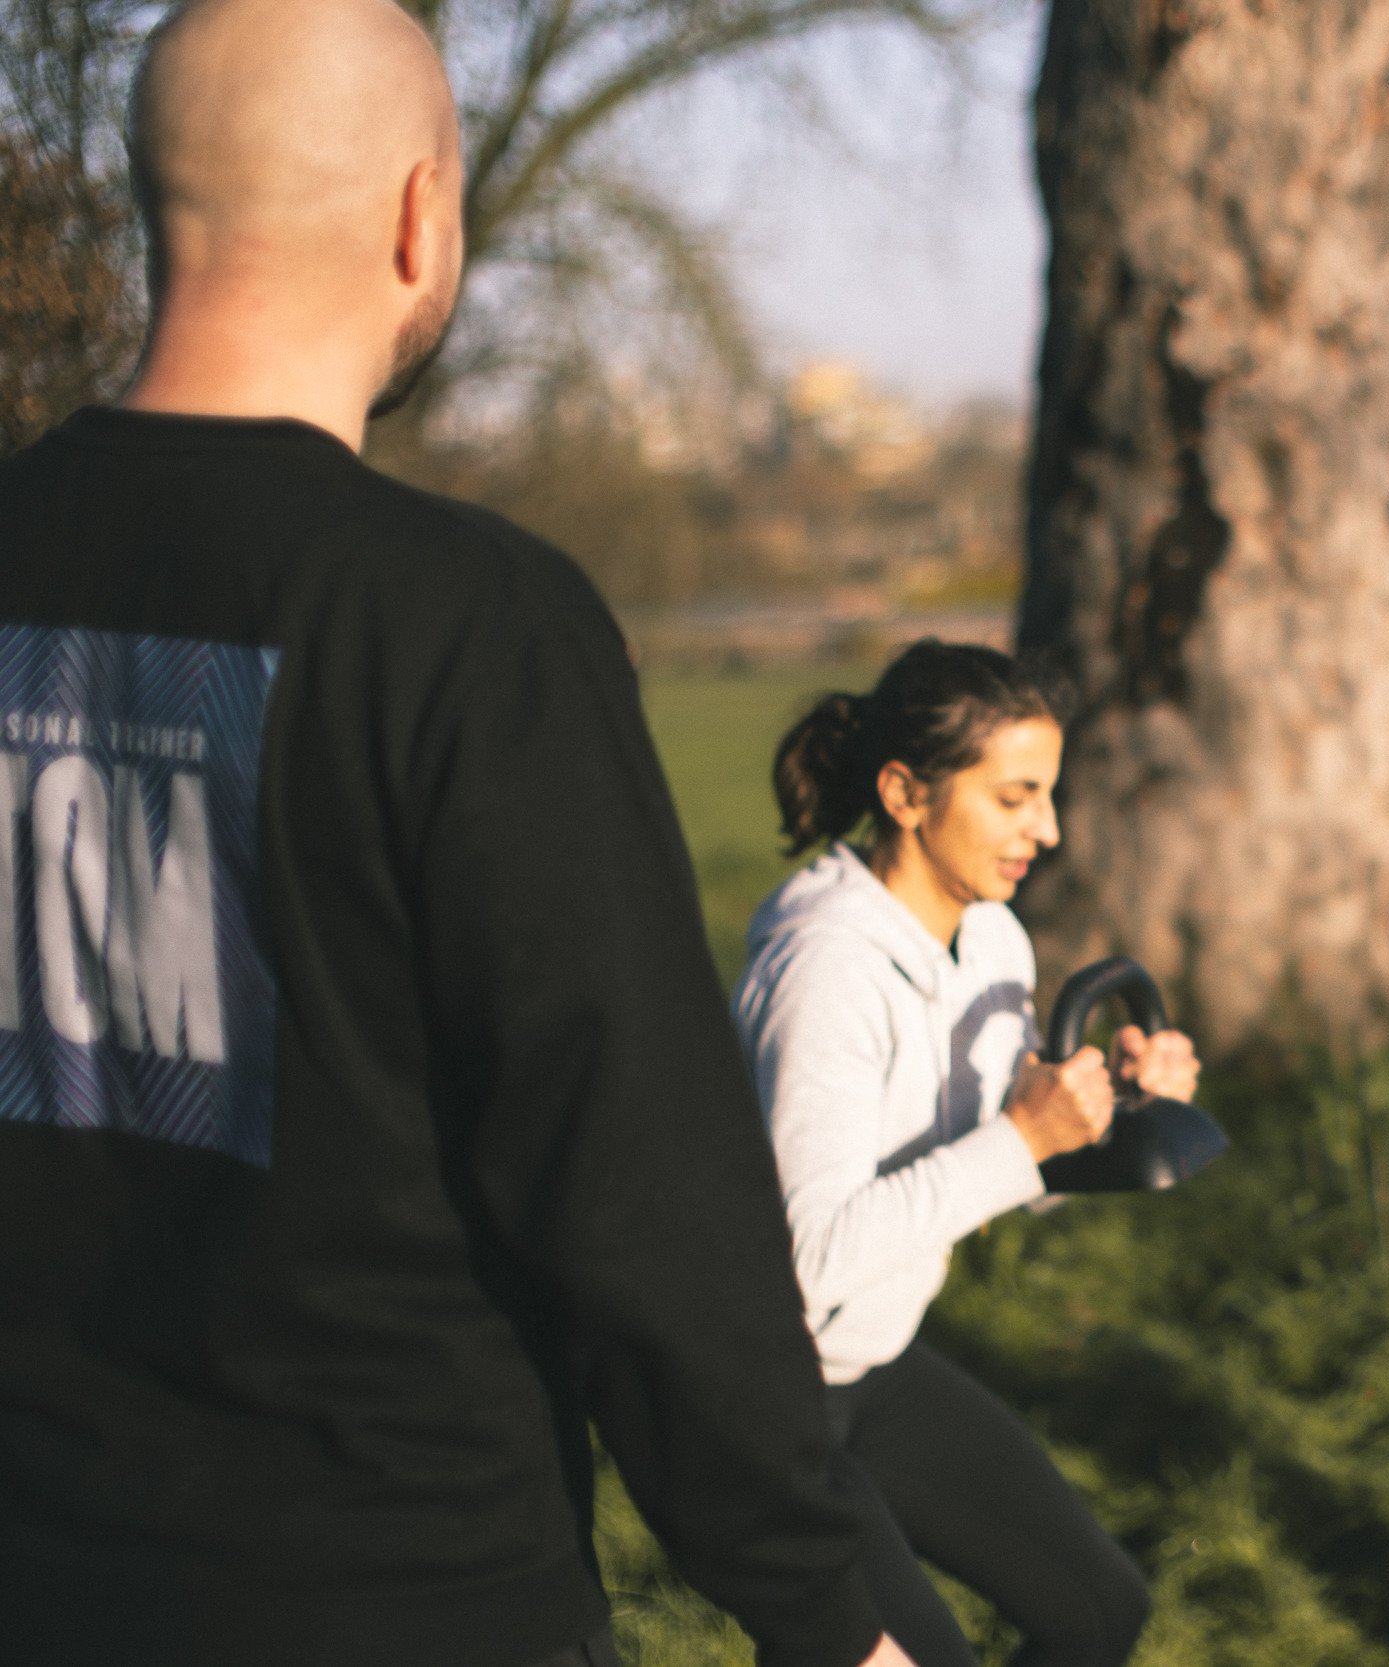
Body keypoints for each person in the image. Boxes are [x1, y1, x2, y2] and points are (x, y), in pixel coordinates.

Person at [0, 3, 907, 1664]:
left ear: (155, 205)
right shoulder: (465, 626)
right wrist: (817, 1596)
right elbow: (634, 1177)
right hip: (396, 1590)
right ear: (422, 218)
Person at [735, 640, 1200, 1667]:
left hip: (878, 1363)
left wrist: (1102, 1110)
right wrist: (1021, 1138)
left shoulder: (990, 938)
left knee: (1096, 1609)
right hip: (763, 1402)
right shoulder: (827, 970)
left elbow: (1000, 1173)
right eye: (1015, 796)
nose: (1049, 827)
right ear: (906, 792)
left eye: (1049, 793)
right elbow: (801, 1258)